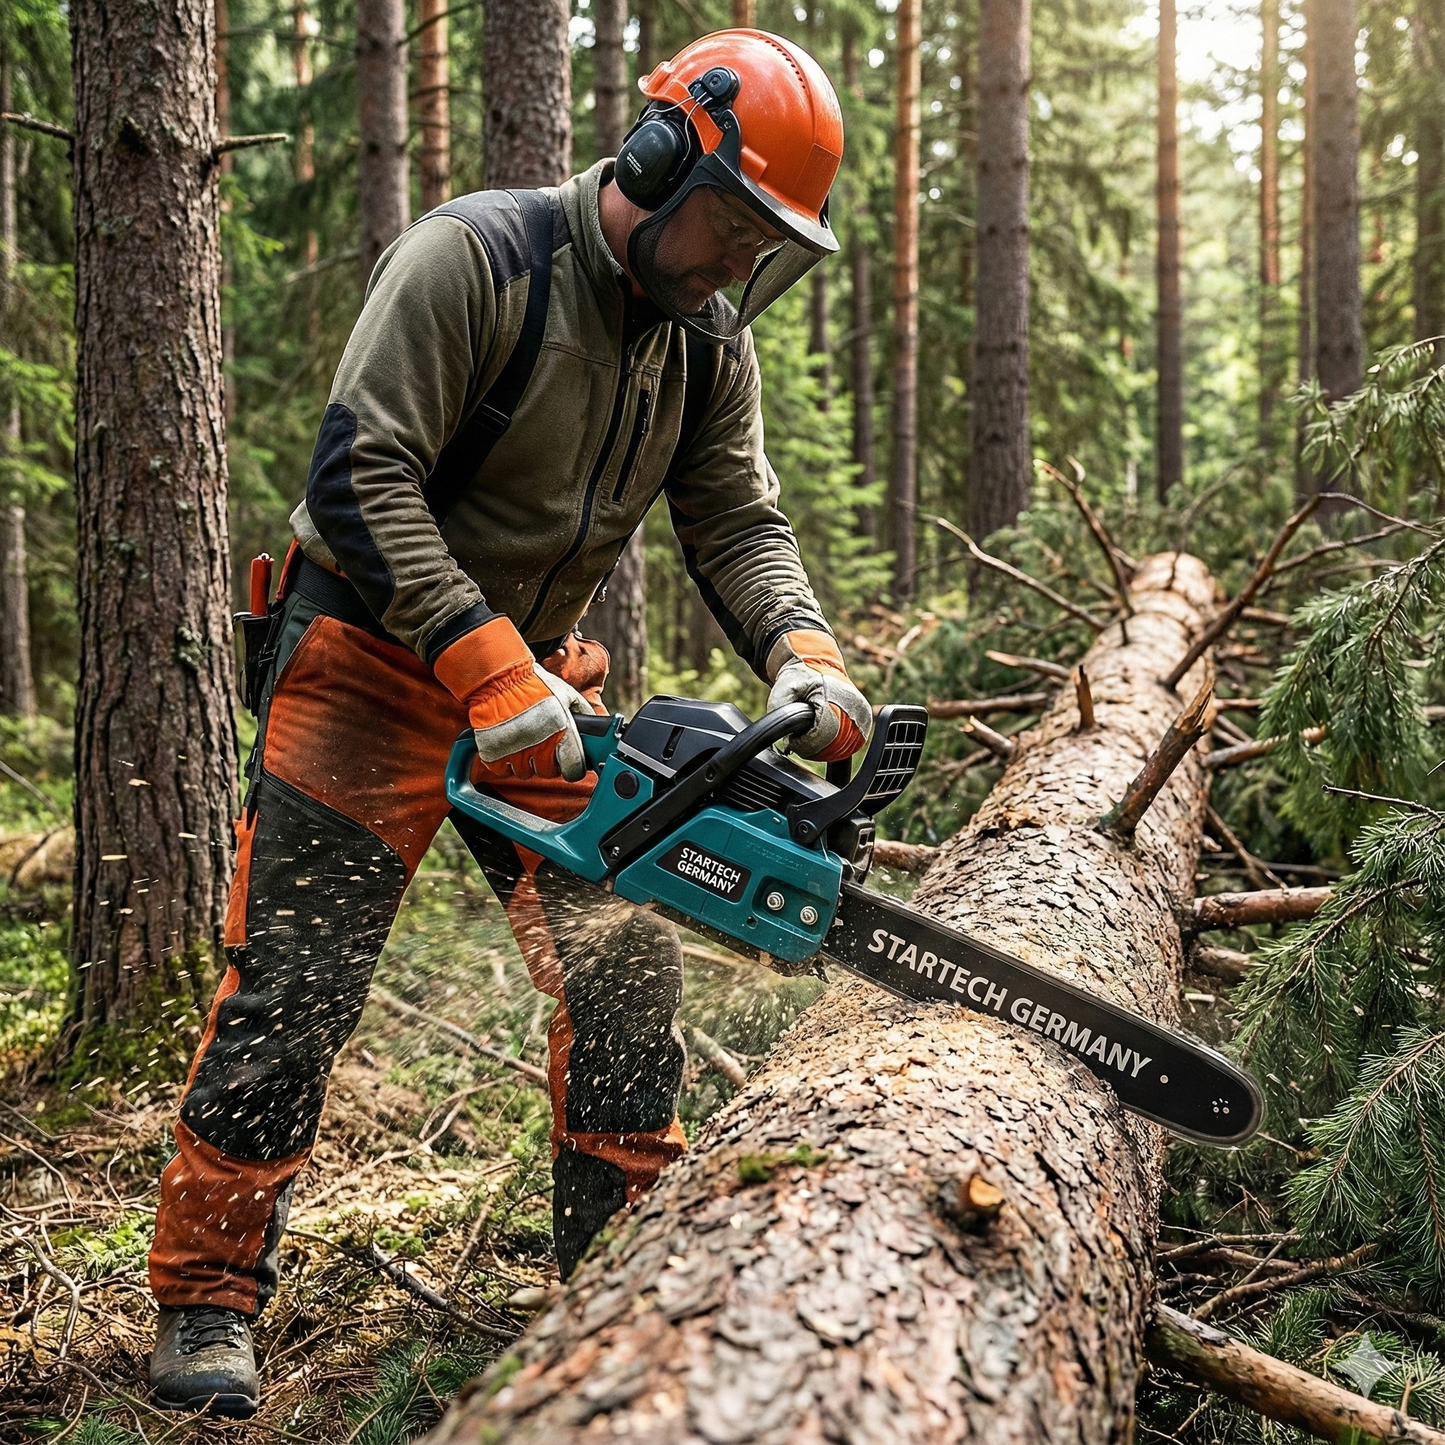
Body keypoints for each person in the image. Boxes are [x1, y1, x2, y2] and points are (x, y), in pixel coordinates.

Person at [146, 28, 872, 1417]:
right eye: (731, 223)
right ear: (663, 162)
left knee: (626, 956)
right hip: (373, 654)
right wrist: (478, 661)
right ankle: (206, 1300)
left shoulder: (705, 341)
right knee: (297, 978)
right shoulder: (477, 260)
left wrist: (803, 653)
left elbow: (737, 518)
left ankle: (616, 1270)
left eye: (764, 242)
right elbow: (359, 477)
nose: (736, 262)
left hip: (540, 683)